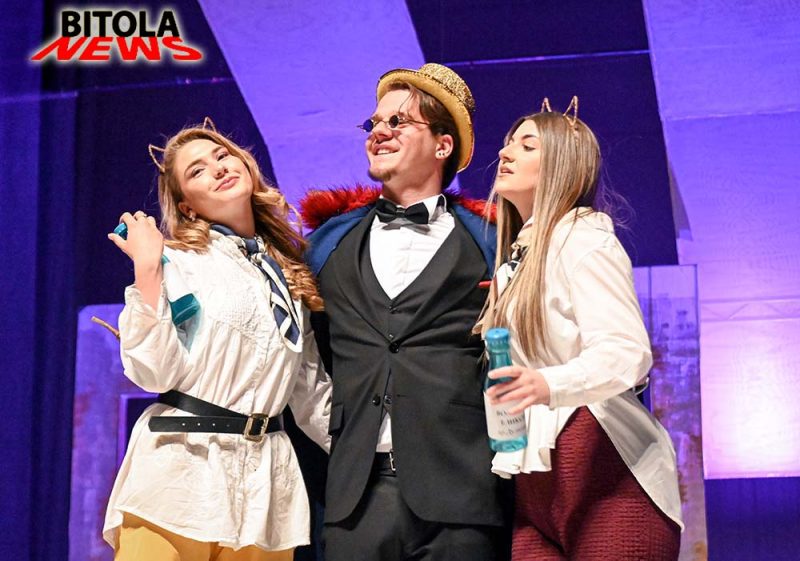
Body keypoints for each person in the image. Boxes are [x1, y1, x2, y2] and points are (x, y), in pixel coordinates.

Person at [300, 63, 507, 561]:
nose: (379, 132)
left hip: (461, 494)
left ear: (442, 145)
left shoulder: (492, 242)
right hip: (355, 496)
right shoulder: (327, 243)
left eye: (398, 121)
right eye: (373, 123)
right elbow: (306, 355)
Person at [103, 119, 331, 561]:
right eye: (198, 170)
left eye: (222, 155)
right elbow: (154, 373)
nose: (219, 168)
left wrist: (382, 458)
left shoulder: (288, 273)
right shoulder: (178, 262)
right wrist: (148, 271)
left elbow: (310, 396)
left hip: (265, 489)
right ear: (187, 207)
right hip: (178, 475)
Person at [477, 98, 684, 560]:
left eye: (527, 145)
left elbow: (627, 352)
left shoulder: (583, 238)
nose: (505, 153)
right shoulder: (517, 259)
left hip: (610, 480)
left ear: (561, 165)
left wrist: (546, 383)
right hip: (537, 487)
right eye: (508, 143)